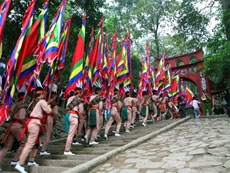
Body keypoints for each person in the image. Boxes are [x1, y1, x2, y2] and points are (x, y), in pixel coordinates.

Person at [15, 88, 53, 173]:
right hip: (35, 123)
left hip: (31, 122)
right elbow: (49, 111)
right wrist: (49, 105)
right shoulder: (42, 101)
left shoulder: (32, 103)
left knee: (35, 143)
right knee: (30, 144)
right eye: (44, 94)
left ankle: (31, 161)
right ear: (42, 94)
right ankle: (20, 163)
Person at [0, 93, 27, 170]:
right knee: (24, 143)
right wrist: (26, 124)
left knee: (7, 146)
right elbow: (22, 118)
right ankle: (15, 160)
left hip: (11, 126)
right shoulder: (22, 108)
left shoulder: (14, 107)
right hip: (18, 126)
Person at [64, 87, 84, 155]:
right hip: (73, 116)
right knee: (71, 134)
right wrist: (81, 117)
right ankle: (67, 150)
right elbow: (81, 111)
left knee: (69, 134)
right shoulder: (80, 100)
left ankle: (68, 148)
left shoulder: (70, 98)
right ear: (80, 92)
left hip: (67, 115)